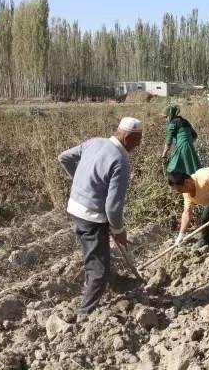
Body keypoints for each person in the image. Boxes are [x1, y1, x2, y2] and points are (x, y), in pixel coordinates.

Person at [58, 117, 143, 315]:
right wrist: (119, 230)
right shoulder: (120, 161)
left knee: (93, 256)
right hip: (92, 217)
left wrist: (82, 182)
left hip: (75, 208)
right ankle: (84, 313)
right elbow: (113, 208)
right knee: (100, 271)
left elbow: (64, 157)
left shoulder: (94, 142)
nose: (139, 145)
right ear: (128, 136)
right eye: (138, 140)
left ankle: (100, 285)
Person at [161, 104, 201, 175]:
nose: (165, 119)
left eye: (165, 117)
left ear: (170, 115)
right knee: (192, 170)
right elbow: (195, 135)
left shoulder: (172, 124)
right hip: (190, 147)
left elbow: (168, 143)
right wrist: (188, 142)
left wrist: (163, 155)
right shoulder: (185, 121)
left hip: (181, 147)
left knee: (172, 169)